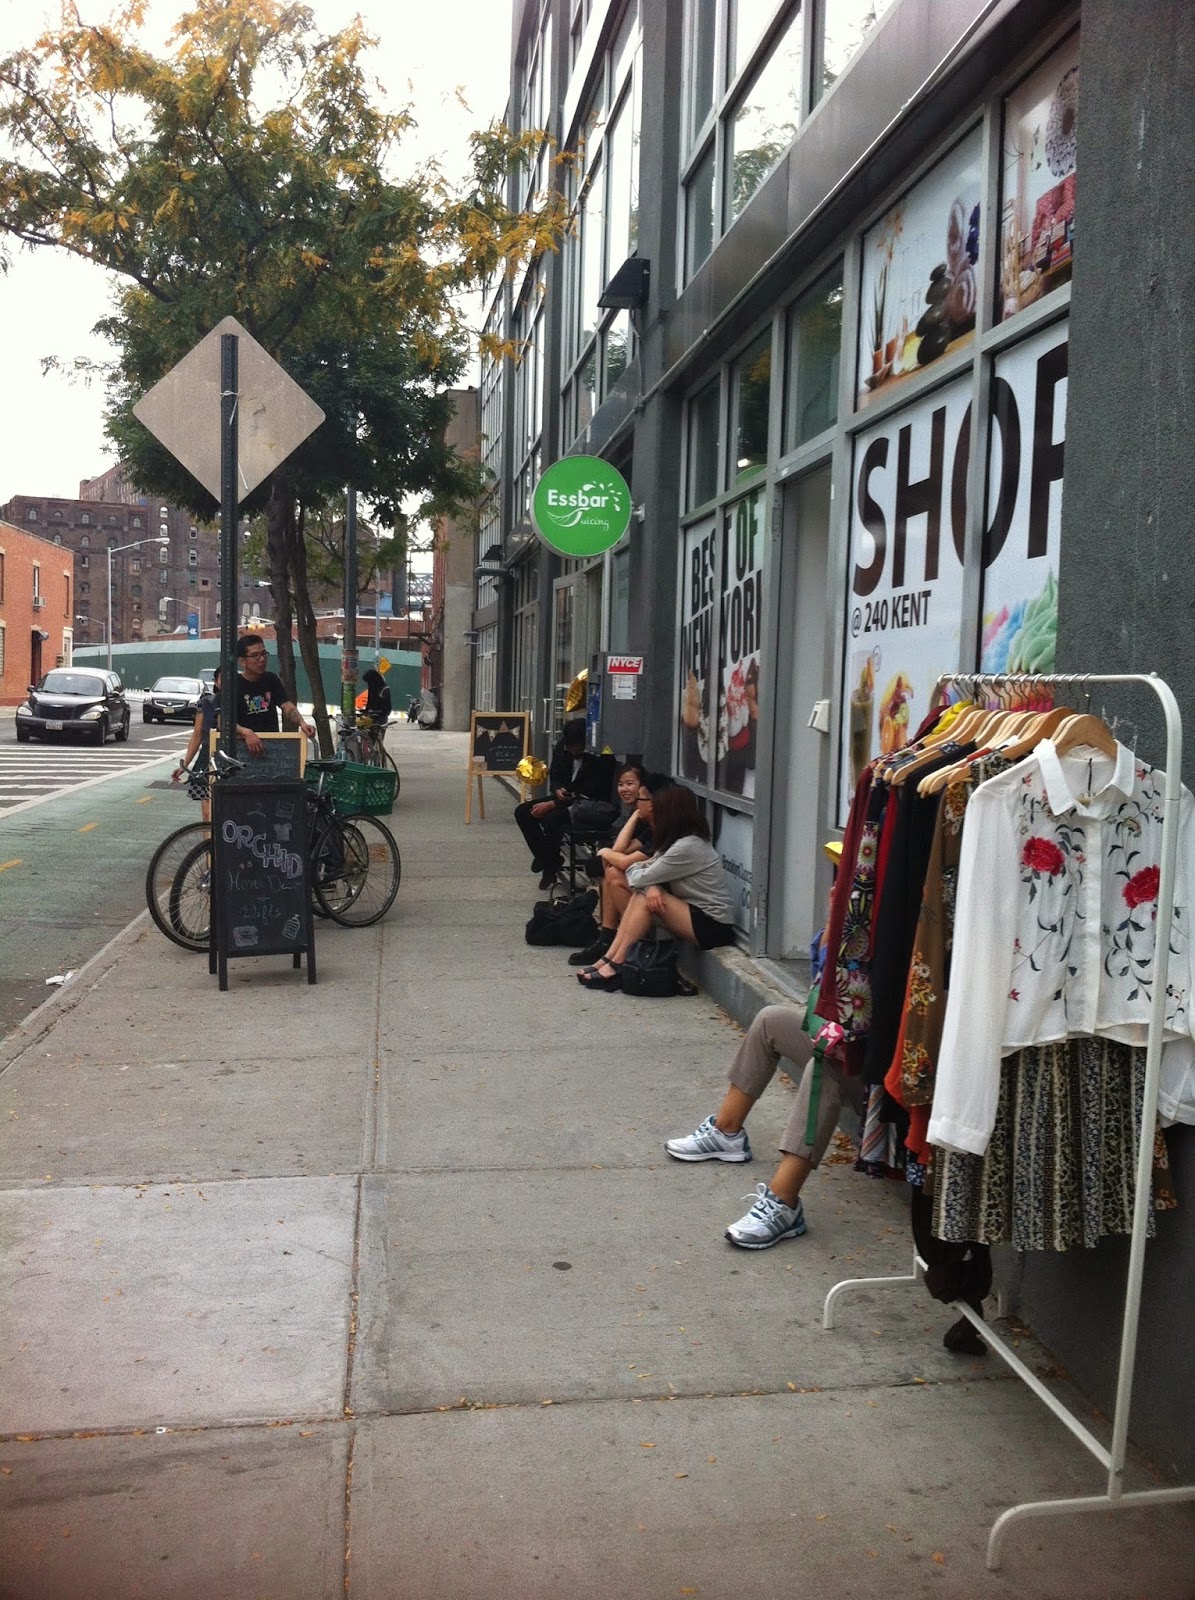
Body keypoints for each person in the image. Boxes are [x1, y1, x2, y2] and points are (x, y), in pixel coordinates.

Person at [664, 841, 869, 1251]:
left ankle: (784, 1201)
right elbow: (822, 988)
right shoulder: (852, 925)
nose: (833, 890)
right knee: (771, 1020)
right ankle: (726, 1132)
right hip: (858, 1050)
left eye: (842, 883)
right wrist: (836, 917)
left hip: (890, 1081)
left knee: (826, 1060)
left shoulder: (890, 930)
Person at [577, 783, 736, 988]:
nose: (650, 812)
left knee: (643, 896)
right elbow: (643, 875)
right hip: (691, 912)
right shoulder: (674, 841)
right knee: (642, 895)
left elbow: (636, 876)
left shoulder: (688, 846)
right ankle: (609, 958)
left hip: (713, 924)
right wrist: (650, 885)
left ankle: (618, 962)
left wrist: (648, 882)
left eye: (655, 808)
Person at [568, 765, 660, 968]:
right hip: (647, 881)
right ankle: (607, 936)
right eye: (620, 784)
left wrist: (637, 814)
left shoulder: (656, 822)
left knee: (610, 868)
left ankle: (615, 939)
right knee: (606, 867)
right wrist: (636, 814)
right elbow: (620, 851)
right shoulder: (641, 817)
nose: (624, 789)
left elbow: (618, 854)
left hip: (657, 891)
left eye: (630, 784)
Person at [514, 717, 612, 890]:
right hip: (564, 796)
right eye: (568, 746)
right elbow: (556, 774)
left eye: (574, 746)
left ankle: (548, 866)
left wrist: (553, 804)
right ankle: (549, 859)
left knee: (553, 818)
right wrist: (557, 789)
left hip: (588, 805)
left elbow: (591, 790)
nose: (570, 750)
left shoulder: (600, 756)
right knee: (523, 811)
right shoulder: (563, 747)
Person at [235, 635, 316, 752]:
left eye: (263, 654)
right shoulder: (233, 686)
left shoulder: (271, 679)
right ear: (242, 661)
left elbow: (287, 706)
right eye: (255, 656)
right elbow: (223, 721)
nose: (262, 659)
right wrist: (246, 733)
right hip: (242, 749)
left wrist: (302, 723)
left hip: (271, 748)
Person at [173, 667, 221, 821]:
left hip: (232, 758)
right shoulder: (206, 703)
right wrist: (184, 765)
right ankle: (209, 843)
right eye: (222, 679)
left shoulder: (240, 703)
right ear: (216, 682)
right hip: (207, 760)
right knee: (208, 813)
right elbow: (197, 734)